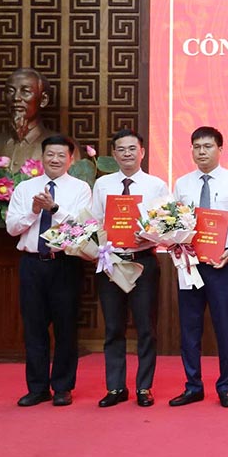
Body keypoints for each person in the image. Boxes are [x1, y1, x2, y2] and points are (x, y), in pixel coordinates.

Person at [169, 126, 228, 408]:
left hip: (222, 266)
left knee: (226, 328)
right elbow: (174, 221)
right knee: (189, 328)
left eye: (207, 146)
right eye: (197, 147)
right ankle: (193, 385)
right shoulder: (182, 184)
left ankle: (226, 386)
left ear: (220, 149)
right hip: (189, 266)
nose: (201, 152)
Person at [5, 135, 91, 406]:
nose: (55, 159)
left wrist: (53, 208)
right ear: (42, 157)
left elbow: (80, 228)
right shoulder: (24, 187)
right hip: (32, 264)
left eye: (61, 155)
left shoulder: (80, 189)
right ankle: (37, 387)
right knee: (34, 328)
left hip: (65, 263)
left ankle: (63, 387)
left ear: (71, 159)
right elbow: (12, 228)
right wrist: (33, 211)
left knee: (66, 328)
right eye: (50, 154)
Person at [89, 129, 169, 408]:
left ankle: (144, 387)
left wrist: (149, 235)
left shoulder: (156, 185)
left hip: (143, 260)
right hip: (111, 261)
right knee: (113, 327)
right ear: (114, 154)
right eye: (121, 149)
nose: (127, 154)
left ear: (142, 152)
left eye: (132, 149)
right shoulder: (102, 185)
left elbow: (166, 226)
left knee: (146, 327)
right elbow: (94, 221)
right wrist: (101, 239)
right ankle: (115, 388)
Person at [0, 68, 78, 168]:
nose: (16, 98)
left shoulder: (68, 148)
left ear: (43, 100)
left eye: (25, 92)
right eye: (10, 91)